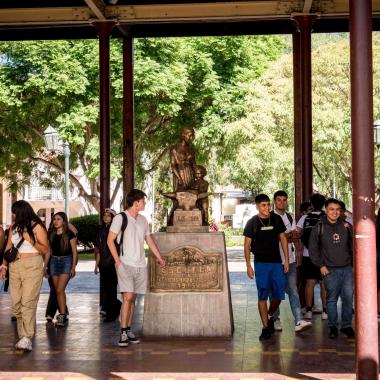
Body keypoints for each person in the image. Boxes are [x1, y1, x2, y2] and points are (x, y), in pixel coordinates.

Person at [107, 189, 166, 347]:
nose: (145, 203)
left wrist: (159, 257)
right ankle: (123, 333)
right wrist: (117, 261)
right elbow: (110, 240)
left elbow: (149, 240)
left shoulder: (143, 220)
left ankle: (128, 329)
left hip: (140, 265)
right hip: (125, 264)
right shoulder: (120, 218)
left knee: (133, 298)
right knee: (128, 296)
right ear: (136, 203)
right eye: (143, 201)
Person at [0, 200, 49, 351]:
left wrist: (30, 240)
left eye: (15, 212)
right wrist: (4, 265)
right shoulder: (13, 227)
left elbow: (45, 249)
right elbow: (8, 246)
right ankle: (23, 336)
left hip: (33, 265)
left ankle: (27, 337)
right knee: (16, 304)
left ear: (22, 212)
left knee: (28, 301)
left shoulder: (37, 226)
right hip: (15, 265)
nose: (13, 215)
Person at [243, 193, 289, 341]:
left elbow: (283, 238)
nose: (267, 207)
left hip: (276, 263)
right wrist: (248, 265)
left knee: (279, 295)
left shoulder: (276, 219)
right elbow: (247, 245)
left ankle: (269, 315)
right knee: (262, 295)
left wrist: (286, 259)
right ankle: (265, 327)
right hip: (260, 264)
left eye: (268, 204)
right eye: (263, 205)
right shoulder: (252, 222)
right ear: (257, 206)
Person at [309, 198, 354, 338]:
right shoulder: (319, 227)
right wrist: (321, 266)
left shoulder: (346, 226)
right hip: (329, 270)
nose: (335, 212)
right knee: (332, 299)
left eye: (337, 209)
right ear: (325, 210)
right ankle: (332, 327)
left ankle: (346, 326)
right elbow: (313, 249)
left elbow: (353, 247)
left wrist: (353, 265)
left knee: (348, 298)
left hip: (346, 269)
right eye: (331, 209)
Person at [271, 191, 312, 333]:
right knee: (275, 291)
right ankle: (275, 319)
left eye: (284, 200)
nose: (281, 203)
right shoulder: (270, 217)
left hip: (291, 259)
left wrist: (286, 236)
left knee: (293, 289)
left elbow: (295, 237)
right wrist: (286, 236)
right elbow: (274, 238)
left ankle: (299, 320)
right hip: (275, 260)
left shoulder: (289, 217)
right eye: (279, 200)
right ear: (274, 201)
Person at [297, 193, 327, 320]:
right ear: (323, 205)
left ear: (312, 205)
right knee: (323, 283)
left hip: (308, 255)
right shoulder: (326, 217)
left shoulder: (305, 218)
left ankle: (308, 310)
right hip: (324, 256)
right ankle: (325, 312)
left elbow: (298, 235)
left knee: (309, 283)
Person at [48, 212, 78, 327]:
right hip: (54, 262)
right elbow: (49, 251)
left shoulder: (70, 234)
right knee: (57, 290)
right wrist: (46, 266)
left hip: (66, 261)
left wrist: (73, 267)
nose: (55, 221)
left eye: (59, 219)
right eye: (54, 219)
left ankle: (62, 314)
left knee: (60, 289)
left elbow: (75, 252)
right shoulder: (51, 233)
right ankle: (63, 313)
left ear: (64, 221)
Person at [95, 208, 121, 322]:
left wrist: (115, 215)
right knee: (106, 289)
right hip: (103, 264)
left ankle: (112, 313)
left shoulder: (115, 230)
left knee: (112, 289)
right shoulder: (100, 230)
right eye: (104, 215)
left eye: (108, 216)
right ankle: (116, 307)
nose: (105, 217)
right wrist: (96, 265)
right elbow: (99, 249)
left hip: (113, 263)